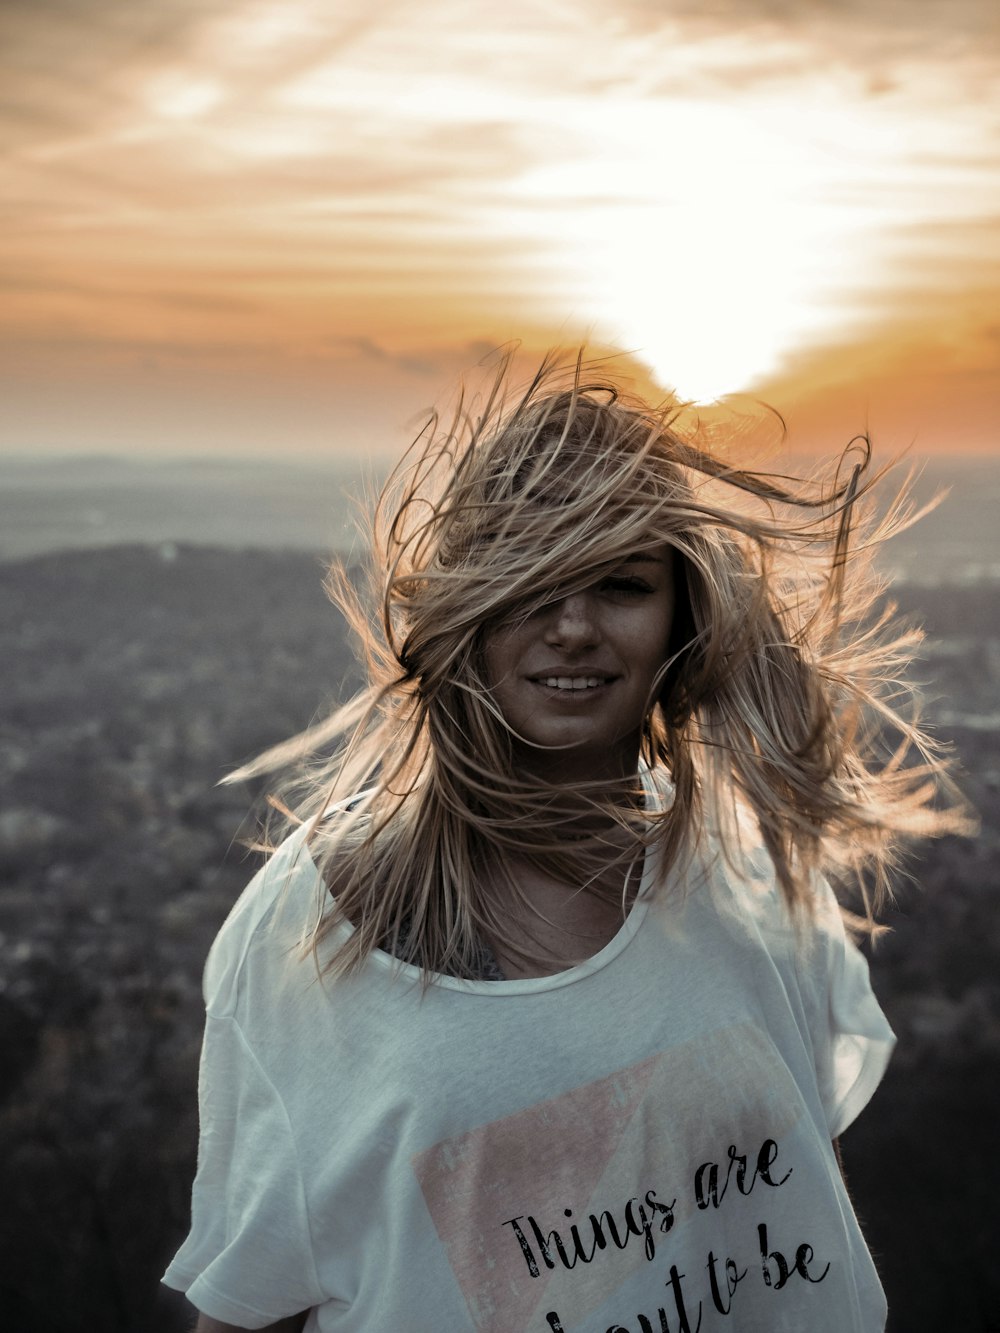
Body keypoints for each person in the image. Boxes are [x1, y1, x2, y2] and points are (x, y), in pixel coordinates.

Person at [163, 349, 966, 1332]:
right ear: (467, 604)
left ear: (681, 613)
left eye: (621, 584)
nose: (574, 626)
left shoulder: (740, 870)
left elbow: (778, 1200)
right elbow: (250, 1301)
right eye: (532, 580)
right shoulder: (331, 910)